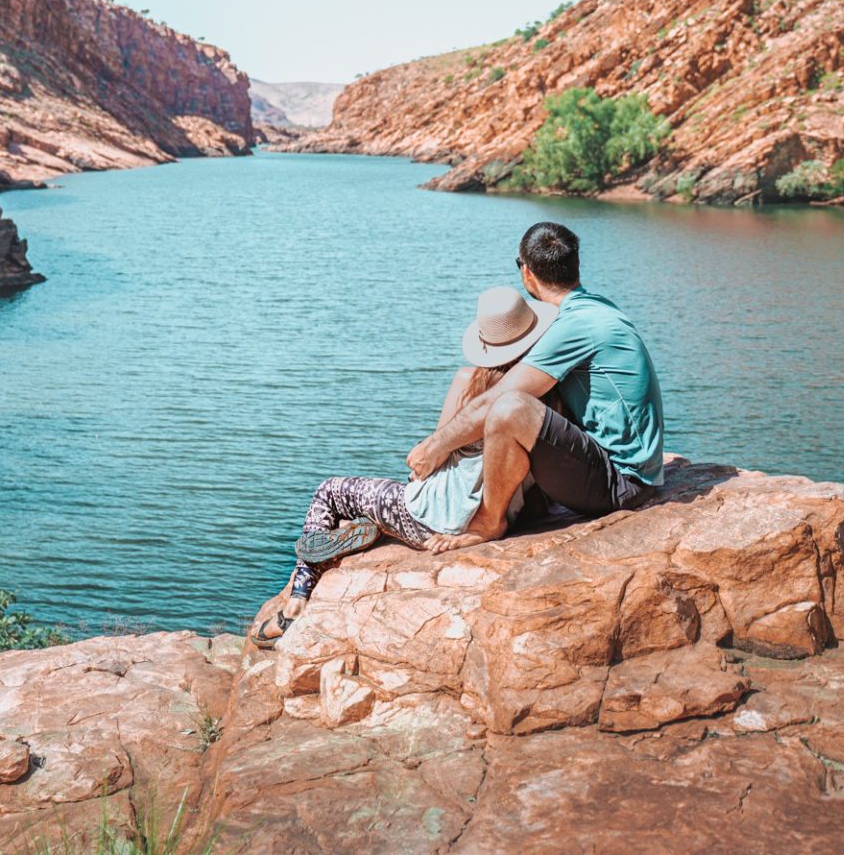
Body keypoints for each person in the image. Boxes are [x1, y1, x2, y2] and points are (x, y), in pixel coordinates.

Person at [253, 287, 556, 647]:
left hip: (431, 520)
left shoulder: (470, 381)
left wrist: (418, 472)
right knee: (382, 501)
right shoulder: (546, 391)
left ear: (487, 343)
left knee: (330, 491)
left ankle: (297, 602)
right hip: (499, 511)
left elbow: (434, 455)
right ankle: (373, 527)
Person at [404, 220, 664, 551]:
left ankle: (488, 522)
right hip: (626, 471)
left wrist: (434, 446)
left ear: (527, 273)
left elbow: (493, 402)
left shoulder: (575, 325)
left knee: (511, 407)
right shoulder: (595, 308)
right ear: (576, 265)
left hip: (621, 485)